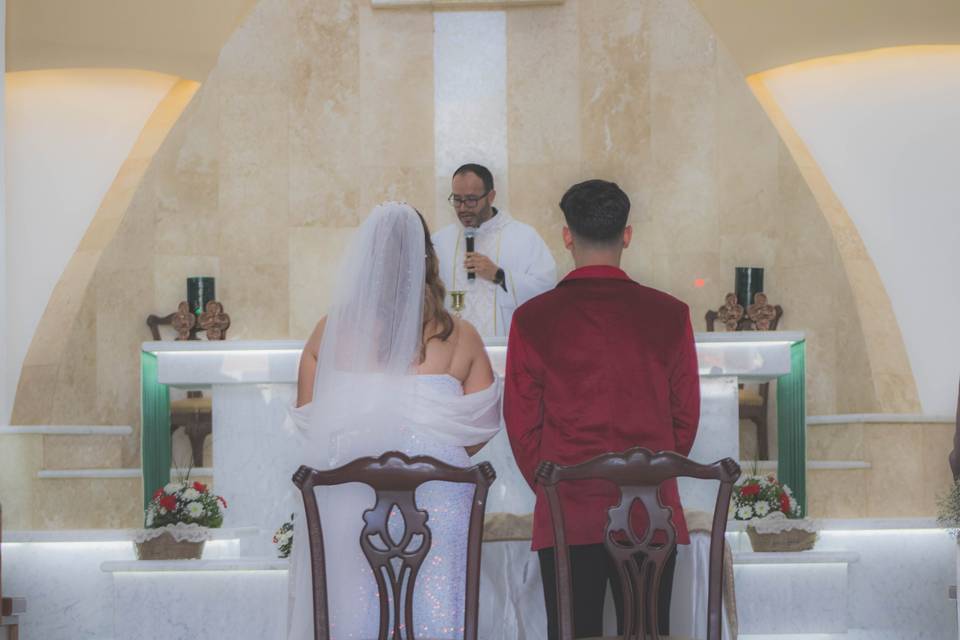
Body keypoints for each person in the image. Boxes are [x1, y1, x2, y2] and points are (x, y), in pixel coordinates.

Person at [286, 202, 502, 640]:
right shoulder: (461, 336)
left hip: (349, 506)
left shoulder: (326, 334)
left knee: (353, 594)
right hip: (437, 505)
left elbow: (312, 421)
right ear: (429, 260)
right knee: (440, 599)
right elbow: (479, 431)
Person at [504, 180, 701, 639]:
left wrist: (553, 483)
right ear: (627, 235)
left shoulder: (533, 318)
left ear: (567, 236)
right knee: (649, 630)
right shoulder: (670, 314)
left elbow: (521, 425)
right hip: (650, 512)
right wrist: (647, 472)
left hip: (567, 510)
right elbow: (685, 419)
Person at [432, 163, 556, 337]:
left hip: (505, 349)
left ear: (491, 196)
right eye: (457, 200)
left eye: (471, 200)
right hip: (455, 351)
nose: (463, 208)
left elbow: (546, 291)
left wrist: (499, 276)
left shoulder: (524, 237)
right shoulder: (440, 241)